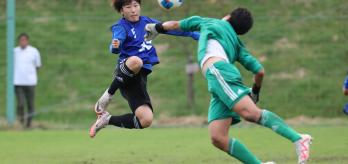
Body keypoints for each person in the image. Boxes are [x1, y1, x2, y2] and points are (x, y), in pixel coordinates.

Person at [145, 8, 312, 164]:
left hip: (218, 72)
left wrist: (155, 27)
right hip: (218, 80)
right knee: (218, 137)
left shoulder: (209, 22)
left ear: (228, 16)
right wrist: (255, 92)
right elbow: (259, 72)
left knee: (250, 113)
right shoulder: (238, 44)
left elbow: (174, 25)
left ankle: (298, 138)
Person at [89, 0, 199, 137]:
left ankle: (106, 120)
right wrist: (115, 46)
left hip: (139, 79)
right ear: (122, 10)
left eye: (136, 6)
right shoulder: (120, 26)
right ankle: (108, 95)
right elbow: (116, 44)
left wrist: (196, 35)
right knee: (136, 61)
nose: (133, 10)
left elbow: (171, 29)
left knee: (146, 120)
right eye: (128, 7)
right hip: (124, 73)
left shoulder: (148, 22)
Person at [14, 33, 41, 128]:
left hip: (30, 82)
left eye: (24, 40)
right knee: (20, 103)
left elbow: (38, 66)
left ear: (27, 41)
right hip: (18, 82)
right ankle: (21, 121)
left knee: (30, 104)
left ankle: (29, 123)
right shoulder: (14, 51)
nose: (23, 42)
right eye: (21, 40)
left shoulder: (34, 51)